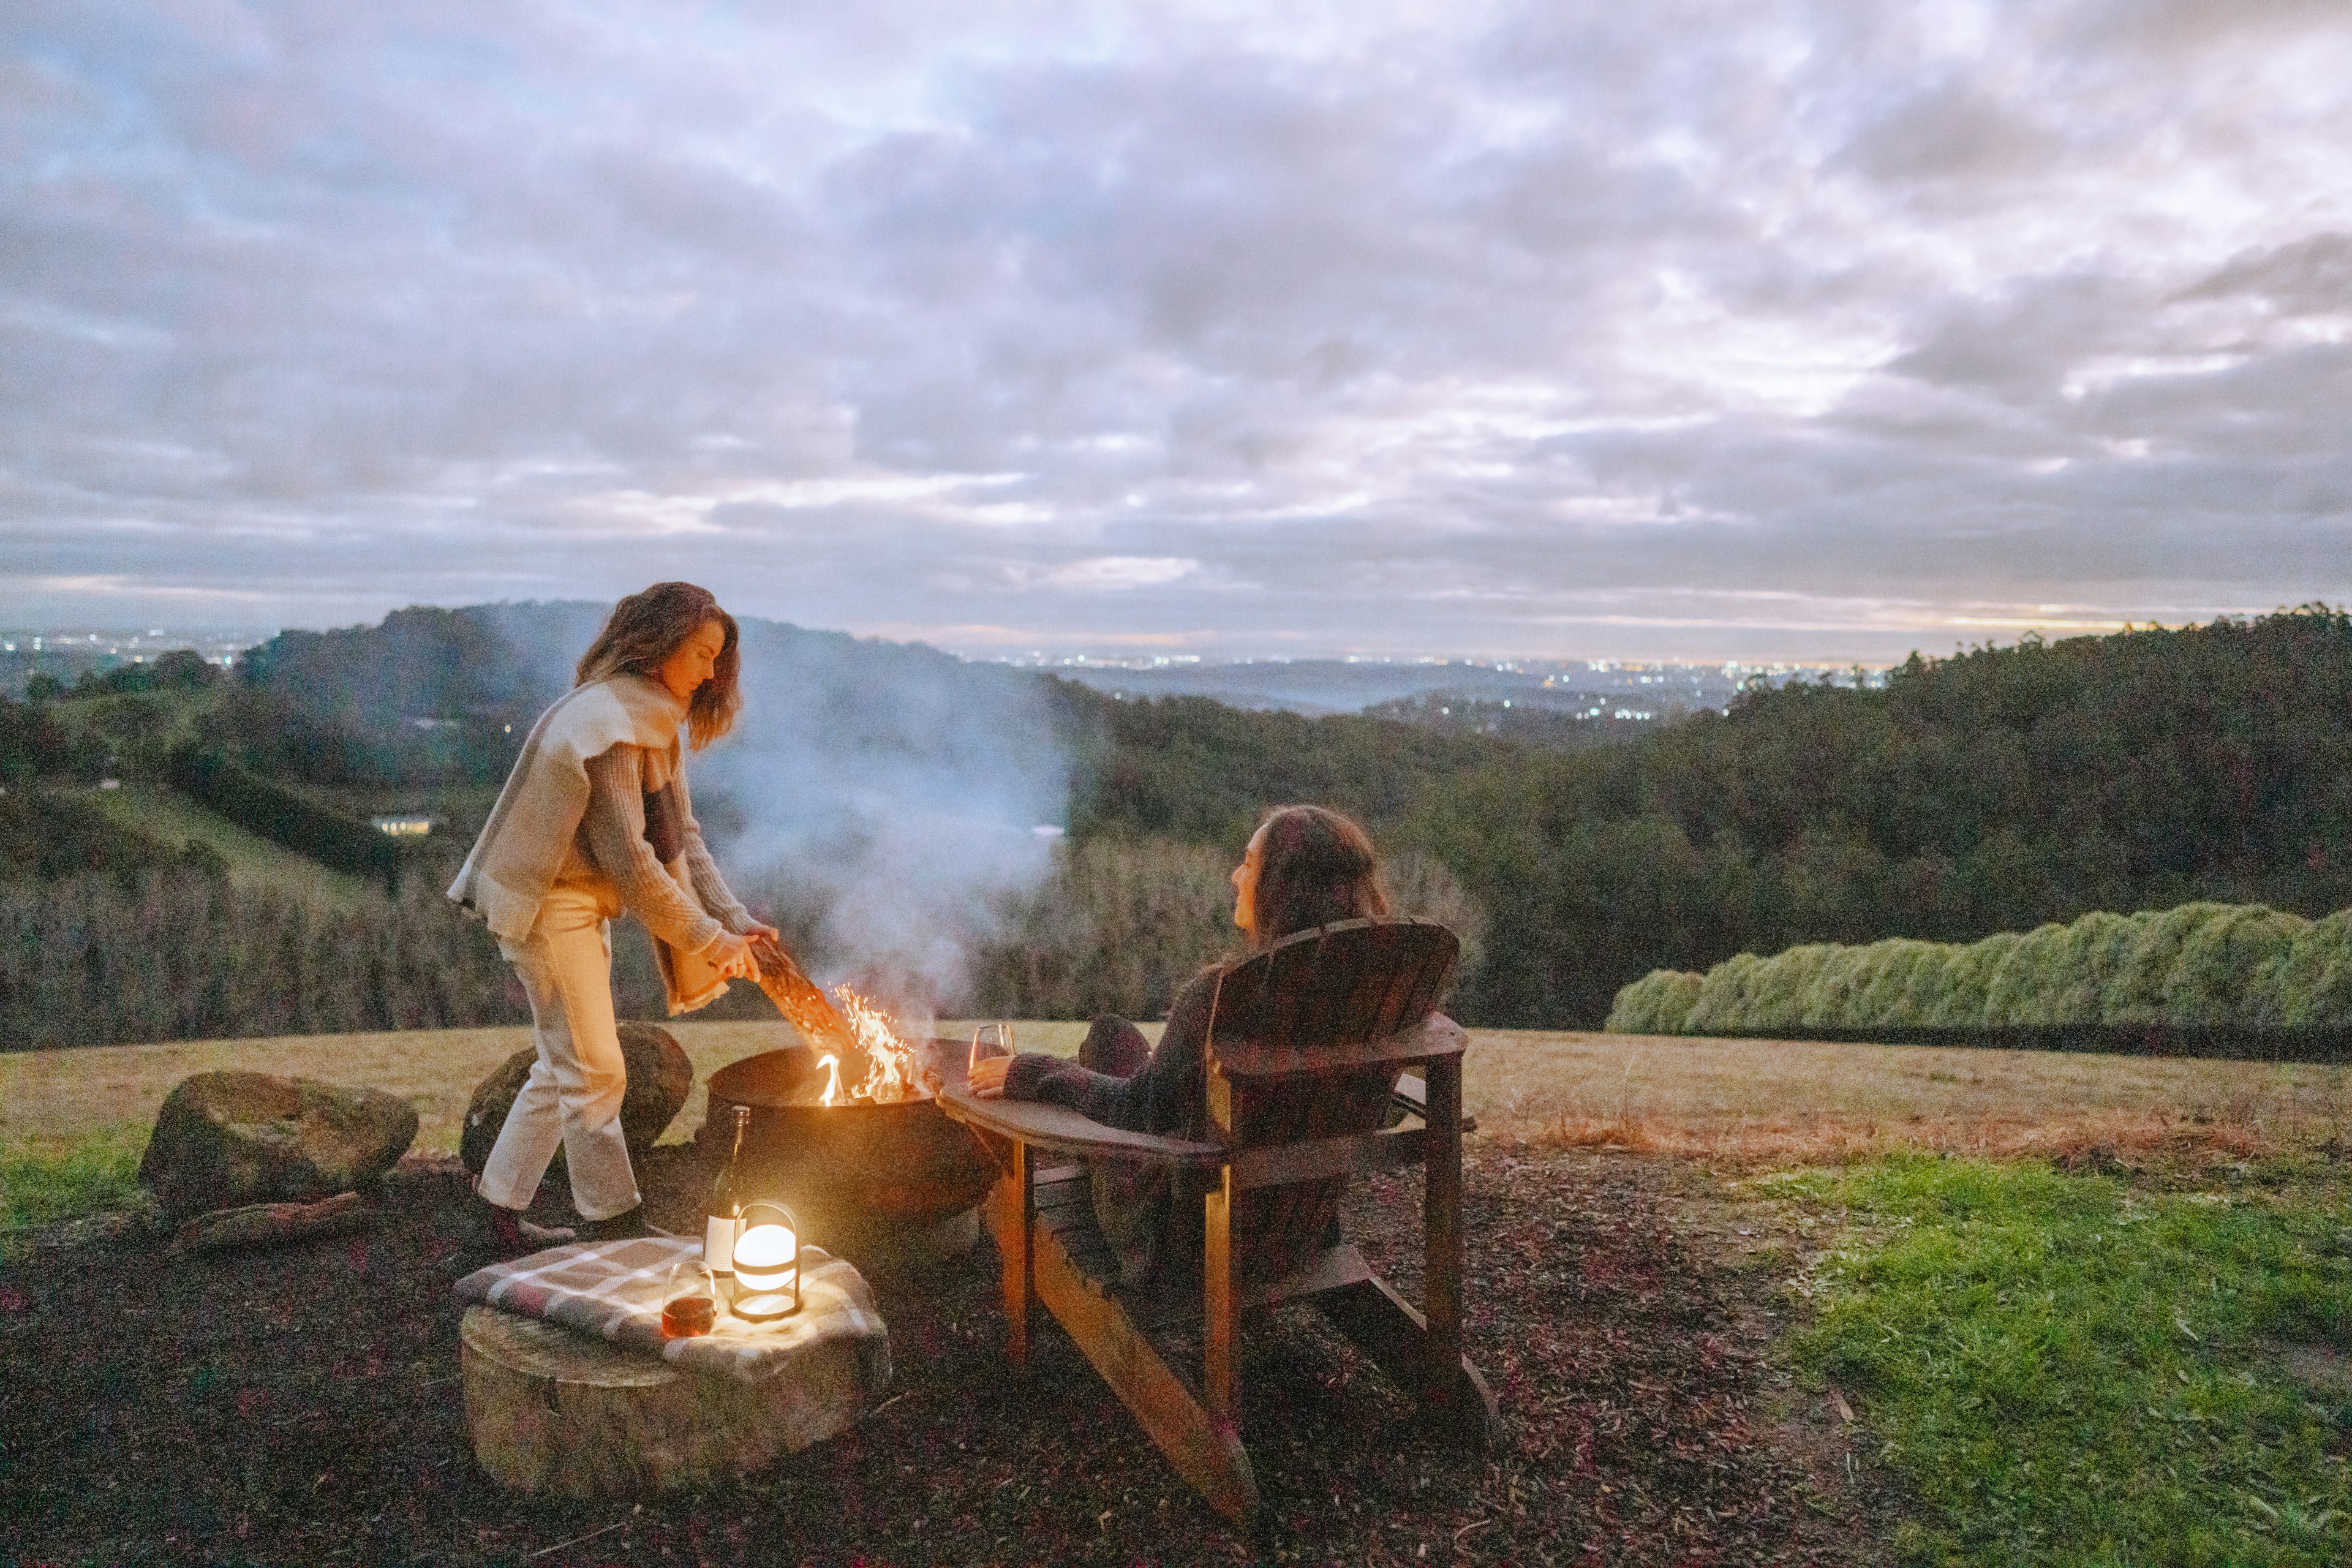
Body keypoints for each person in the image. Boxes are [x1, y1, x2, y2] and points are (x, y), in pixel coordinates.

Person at [448, 582, 778, 1251]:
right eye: (702, 654)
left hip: (569, 901)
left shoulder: (644, 716)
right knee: (598, 1070)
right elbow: (632, 860)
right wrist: (709, 940)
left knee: (562, 1064)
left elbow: (681, 836)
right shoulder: (611, 727)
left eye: (718, 658)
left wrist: (735, 919)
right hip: (547, 904)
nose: (711, 672)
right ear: (660, 644)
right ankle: (612, 1226)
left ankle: (493, 1219)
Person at [967, 803, 1392, 1284]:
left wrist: (1032, 1072)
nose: (1236, 875)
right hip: (1303, 1225)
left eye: (1249, 864)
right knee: (1111, 1035)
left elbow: (1137, 1111)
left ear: (1285, 888)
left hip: (1183, 1239)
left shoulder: (1222, 997)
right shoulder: (1372, 999)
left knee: (1109, 1082)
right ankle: (1119, 1073)